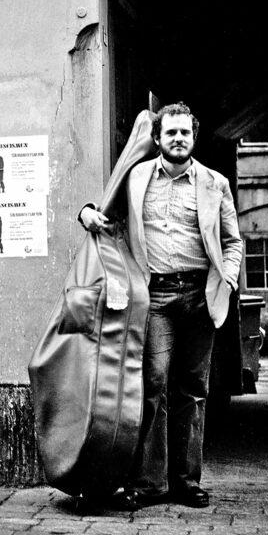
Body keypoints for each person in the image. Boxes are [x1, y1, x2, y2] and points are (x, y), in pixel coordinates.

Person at [79, 102, 243, 509]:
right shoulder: (137, 178)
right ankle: (152, 483)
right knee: (153, 385)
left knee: (194, 389)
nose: (178, 139)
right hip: (155, 296)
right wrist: (85, 213)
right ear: (158, 138)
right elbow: (105, 214)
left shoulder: (215, 183)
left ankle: (186, 482)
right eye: (171, 132)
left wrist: (228, 277)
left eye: (185, 132)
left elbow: (232, 241)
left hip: (201, 295)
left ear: (194, 137)